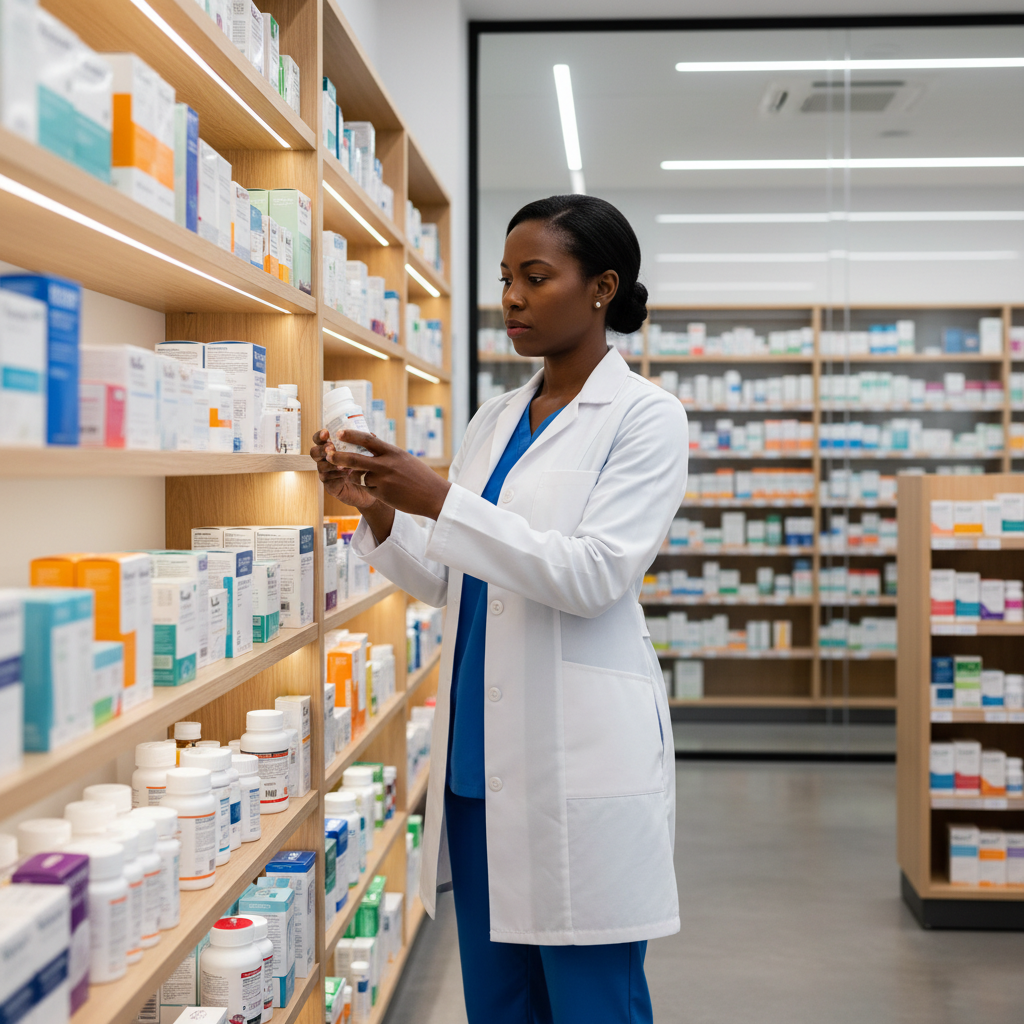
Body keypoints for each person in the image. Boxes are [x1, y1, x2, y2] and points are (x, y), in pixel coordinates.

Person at [311, 194, 688, 1024]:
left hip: (576, 763)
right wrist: (376, 507)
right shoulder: (493, 420)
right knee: (500, 1006)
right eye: (506, 278)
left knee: (594, 1005)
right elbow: (457, 579)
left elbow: (594, 575)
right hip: (479, 772)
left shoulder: (646, 418)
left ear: (601, 288)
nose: (511, 297)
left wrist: (442, 501)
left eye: (536, 276)